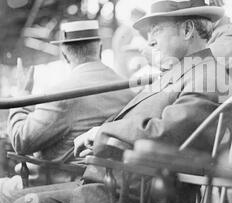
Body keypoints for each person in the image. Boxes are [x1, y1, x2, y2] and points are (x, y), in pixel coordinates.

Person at [0, 0, 232, 203]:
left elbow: (167, 133)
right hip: (120, 185)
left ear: (187, 31)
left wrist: (100, 133)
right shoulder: (184, 73)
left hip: (138, 199)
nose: (150, 41)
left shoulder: (207, 76)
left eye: (157, 30)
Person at [1, 20, 135, 193]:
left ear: (64, 54)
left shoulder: (61, 93)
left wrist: (21, 96)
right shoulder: (126, 89)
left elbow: (21, 141)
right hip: (108, 185)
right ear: (100, 48)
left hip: (59, 185)